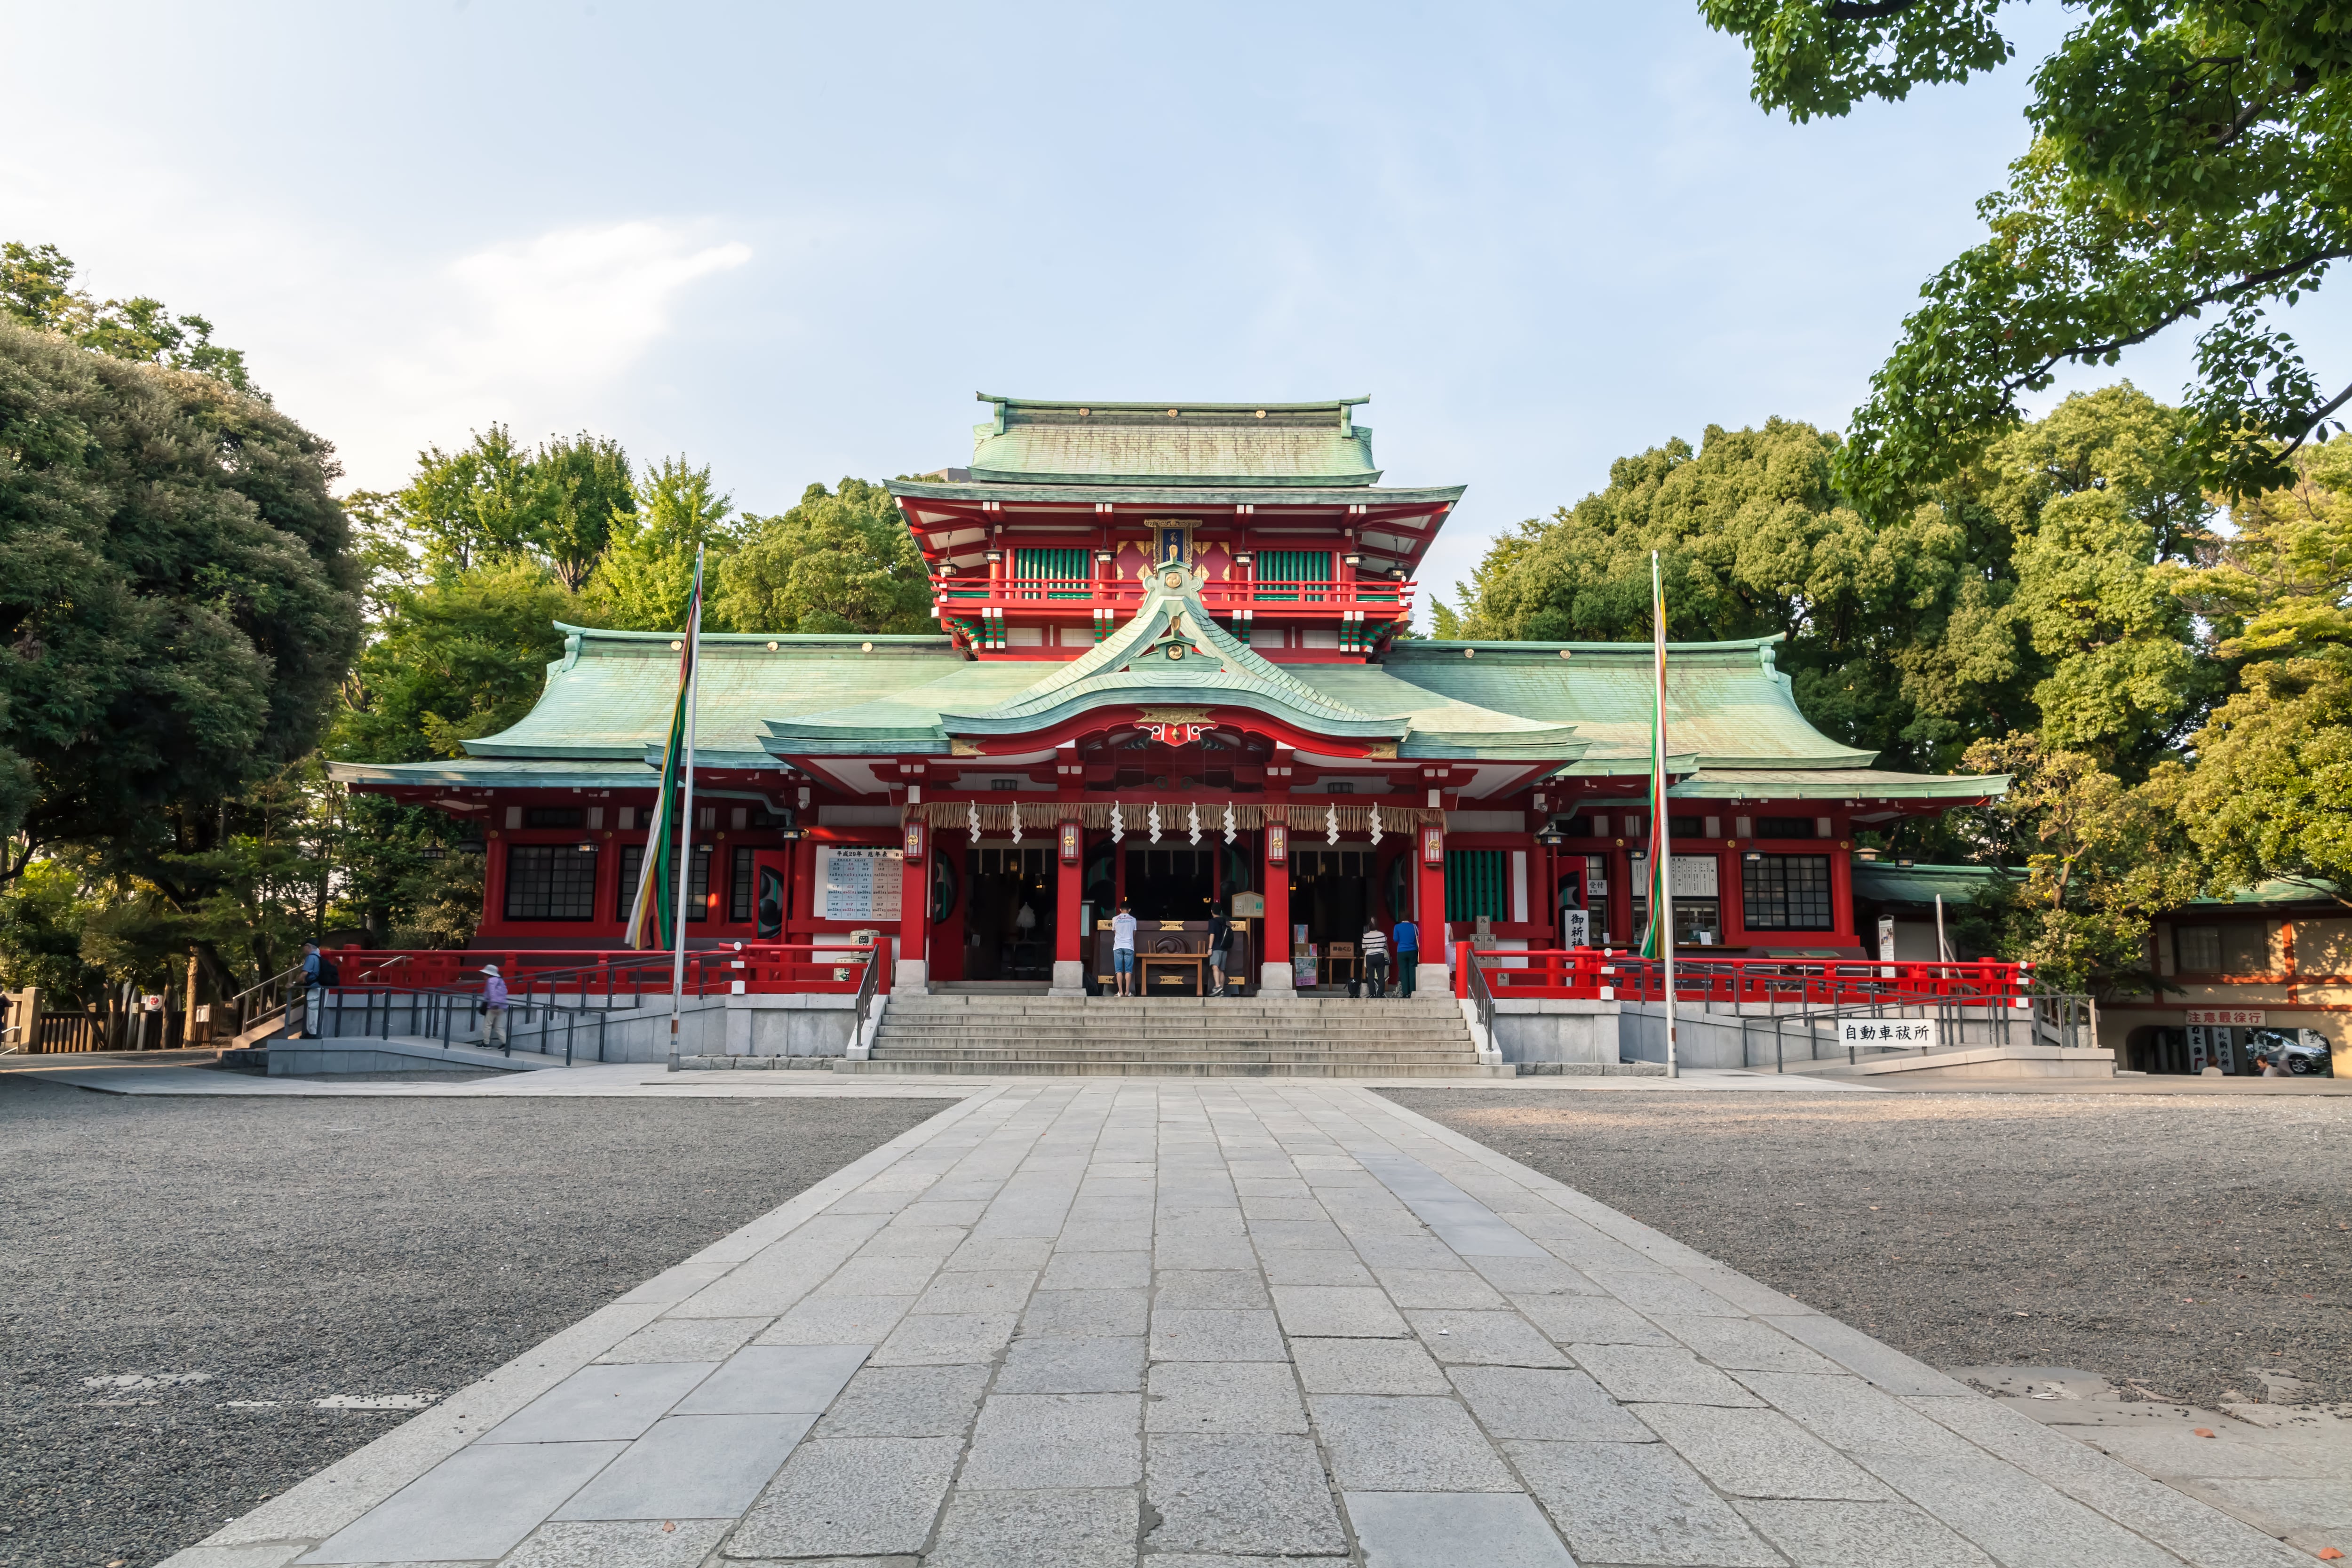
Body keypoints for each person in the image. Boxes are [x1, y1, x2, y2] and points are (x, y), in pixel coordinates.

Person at [1111, 900, 1138, 997]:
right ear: (1129, 910)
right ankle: (1127, 992)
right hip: (1129, 946)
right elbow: (1134, 934)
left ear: (1120, 909)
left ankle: (1120, 992)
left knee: (1119, 970)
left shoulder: (1115, 919)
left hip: (1118, 946)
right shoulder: (1133, 920)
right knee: (1128, 970)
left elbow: (1115, 932)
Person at [480, 963, 511, 1047]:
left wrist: (494, 1003)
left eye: (485, 974)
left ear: (488, 974)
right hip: (503, 1006)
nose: (484, 976)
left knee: (487, 1025)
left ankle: (486, 1043)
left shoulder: (490, 981)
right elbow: (506, 991)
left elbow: (492, 993)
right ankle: (505, 1043)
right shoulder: (501, 981)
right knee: (499, 1027)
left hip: (494, 1006)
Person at [1360, 918, 1389, 998]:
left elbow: (1364, 948)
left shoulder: (1366, 936)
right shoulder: (1382, 935)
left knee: (1371, 976)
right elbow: (1385, 946)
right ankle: (1380, 994)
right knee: (1381, 976)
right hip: (1380, 956)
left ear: (1369, 927)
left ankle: (1373, 994)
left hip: (1370, 957)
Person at [1208, 906, 1232, 997]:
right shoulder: (1224, 922)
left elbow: (1212, 935)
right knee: (1222, 970)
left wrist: (1210, 948)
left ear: (1212, 911)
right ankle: (1221, 991)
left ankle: (1218, 986)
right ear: (1221, 912)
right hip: (1224, 949)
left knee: (1215, 967)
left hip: (1216, 948)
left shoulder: (1212, 922)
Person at [1392, 914, 1419, 998]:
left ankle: (1406, 993)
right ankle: (1413, 992)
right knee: (1412, 971)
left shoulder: (1397, 927)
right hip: (1413, 951)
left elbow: (1396, 939)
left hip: (1402, 951)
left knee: (1403, 972)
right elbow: (1418, 937)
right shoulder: (1414, 926)